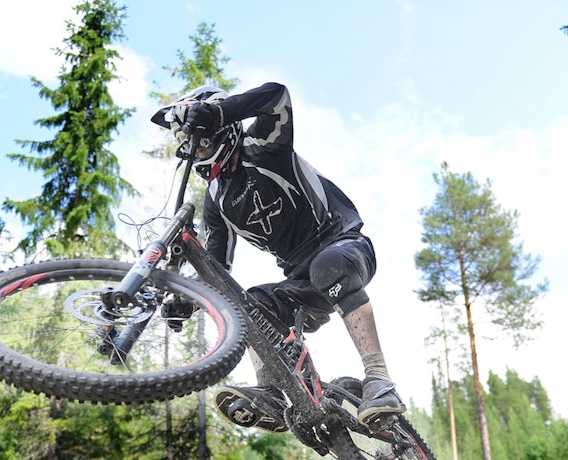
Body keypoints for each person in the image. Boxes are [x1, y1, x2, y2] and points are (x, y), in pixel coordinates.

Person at [151, 82, 405, 432]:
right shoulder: (217, 199)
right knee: (247, 304)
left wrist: (221, 111)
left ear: (222, 127)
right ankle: (270, 393)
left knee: (327, 267)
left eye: (202, 135)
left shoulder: (265, 144)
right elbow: (216, 268)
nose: (196, 145)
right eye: (189, 138)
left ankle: (379, 378)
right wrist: (190, 298)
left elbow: (277, 97)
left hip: (345, 246)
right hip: (302, 281)